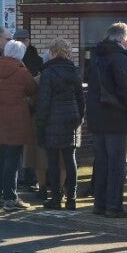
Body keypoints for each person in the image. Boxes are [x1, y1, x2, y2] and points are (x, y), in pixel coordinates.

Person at [85, 22, 127, 218]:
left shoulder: (96, 56)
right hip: (115, 118)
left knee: (101, 163)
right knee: (117, 165)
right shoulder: (119, 58)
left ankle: (99, 204)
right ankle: (113, 206)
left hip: (96, 117)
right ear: (123, 39)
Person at [0, 39, 38, 211]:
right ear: (21, 55)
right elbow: (33, 90)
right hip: (16, 122)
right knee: (12, 160)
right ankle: (10, 198)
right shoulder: (22, 73)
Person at [34, 37, 86, 210]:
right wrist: (80, 117)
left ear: (53, 52)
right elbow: (80, 98)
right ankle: (72, 199)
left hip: (52, 120)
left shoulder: (48, 73)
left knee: (53, 162)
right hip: (71, 119)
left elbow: (43, 101)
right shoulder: (74, 71)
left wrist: (40, 123)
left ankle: (56, 198)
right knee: (70, 160)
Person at [12, 27, 44, 193]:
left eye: (24, 39)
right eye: (20, 39)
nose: (22, 42)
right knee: (23, 145)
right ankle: (25, 177)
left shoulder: (36, 59)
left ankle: (28, 177)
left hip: (29, 106)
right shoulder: (18, 59)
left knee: (28, 145)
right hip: (25, 105)